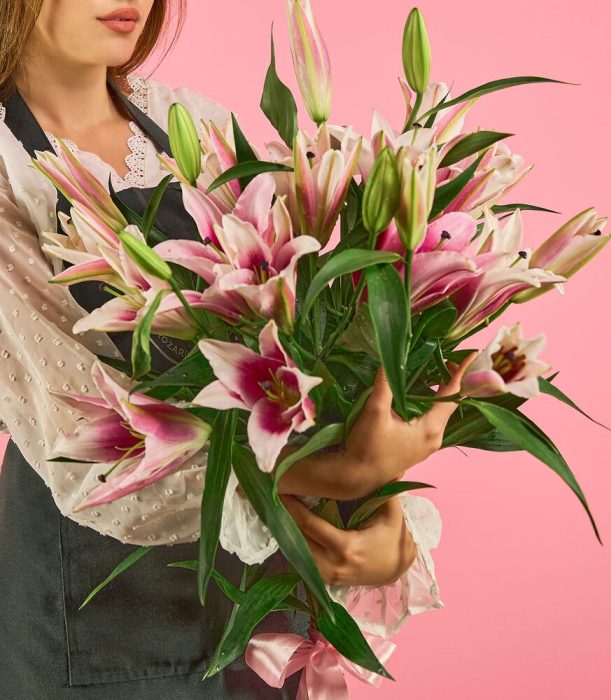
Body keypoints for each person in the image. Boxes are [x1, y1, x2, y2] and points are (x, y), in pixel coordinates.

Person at [0, 1, 472, 697]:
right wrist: (340, 476)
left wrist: (376, 518)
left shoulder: (197, 126)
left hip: (264, 595)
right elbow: (78, 450)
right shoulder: (8, 167)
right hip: (101, 618)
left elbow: (315, 348)